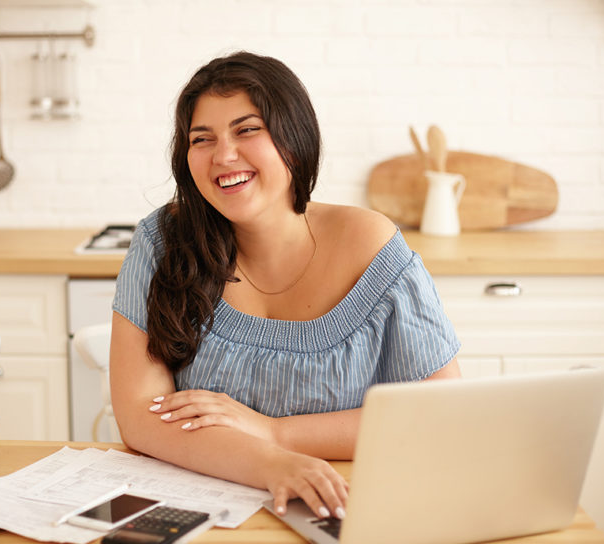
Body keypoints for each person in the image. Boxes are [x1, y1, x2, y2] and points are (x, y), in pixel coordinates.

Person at [110, 51, 461, 522]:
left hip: (341, 504)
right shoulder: (162, 242)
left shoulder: (370, 245)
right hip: (204, 514)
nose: (223, 155)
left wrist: (277, 434)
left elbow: (441, 414)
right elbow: (139, 415)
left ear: (294, 137)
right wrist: (270, 462)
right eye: (202, 138)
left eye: (247, 129)